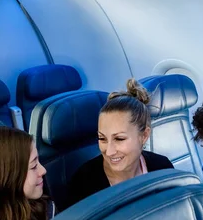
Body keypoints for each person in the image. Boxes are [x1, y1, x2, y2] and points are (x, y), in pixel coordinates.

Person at [65, 78, 174, 209]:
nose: (109, 151)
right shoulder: (83, 182)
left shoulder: (162, 168)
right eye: (102, 139)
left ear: (144, 136)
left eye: (119, 139)